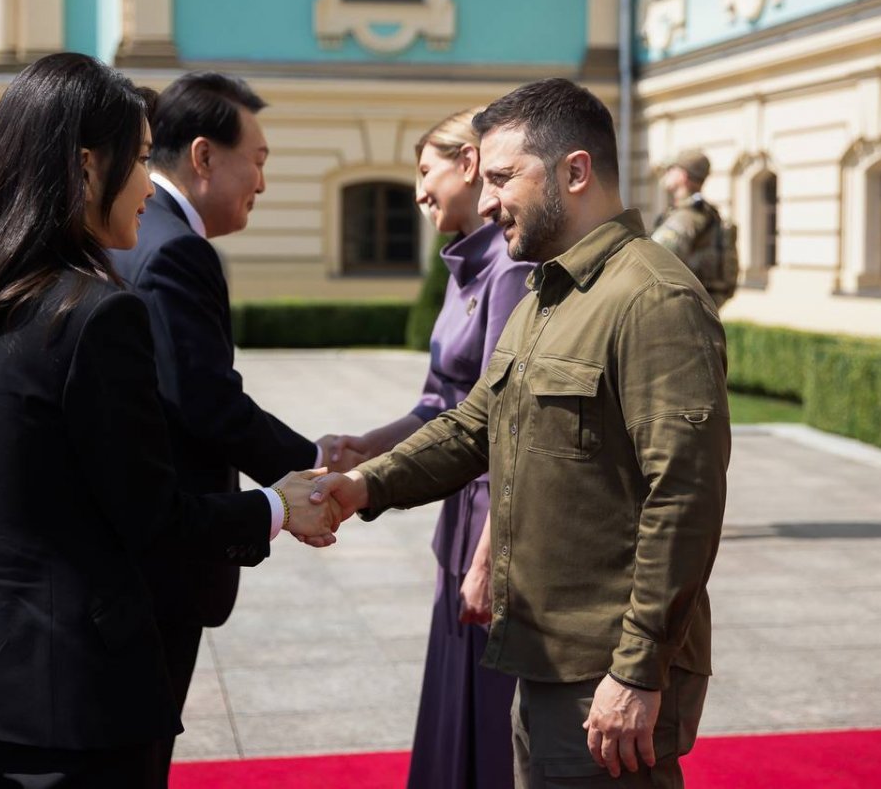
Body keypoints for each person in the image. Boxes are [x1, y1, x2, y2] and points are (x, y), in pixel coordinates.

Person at [0, 52, 339, 787]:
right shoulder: (96, 315)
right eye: (141, 159)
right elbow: (154, 520)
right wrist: (277, 504)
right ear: (87, 167)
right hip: (87, 702)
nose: (149, 184)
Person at [313, 78, 729, 789]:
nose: (484, 199)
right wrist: (360, 486)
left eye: (503, 176)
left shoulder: (653, 298)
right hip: (542, 653)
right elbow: (477, 422)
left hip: (606, 671)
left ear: (575, 171)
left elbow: (684, 498)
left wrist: (636, 669)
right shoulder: (548, 292)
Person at [109, 71, 364, 783]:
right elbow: (204, 400)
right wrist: (310, 473)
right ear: (202, 156)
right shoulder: (173, 247)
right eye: (258, 159)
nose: (262, 180)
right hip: (164, 552)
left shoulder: (132, 231)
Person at [327, 109, 532, 789]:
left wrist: (489, 558)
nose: (418, 192)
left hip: (491, 517)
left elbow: (504, 423)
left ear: (469, 164)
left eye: (425, 172)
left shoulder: (508, 268)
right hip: (462, 512)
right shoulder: (466, 261)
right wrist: (366, 449)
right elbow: (439, 403)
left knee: (488, 718)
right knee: (457, 705)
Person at [650, 150, 733, 309]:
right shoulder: (708, 214)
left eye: (670, 170)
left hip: (679, 308)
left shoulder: (685, 218)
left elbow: (652, 262)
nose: (666, 174)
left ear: (682, 176)